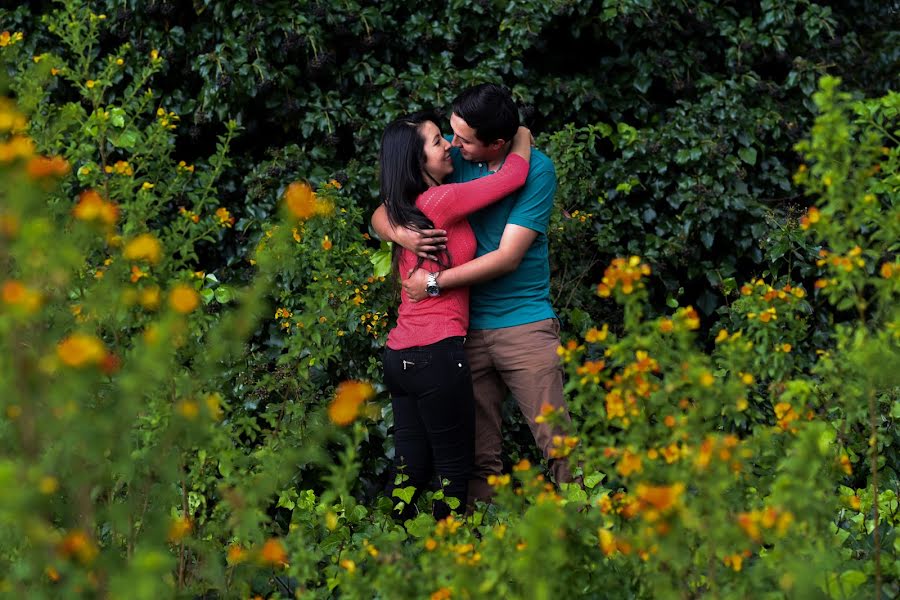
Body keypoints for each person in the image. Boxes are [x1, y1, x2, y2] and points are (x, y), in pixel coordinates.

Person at [372, 84, 576, 506]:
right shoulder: (453, 163)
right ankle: (480, 554)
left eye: (462, 138)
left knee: (557, 444)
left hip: (524, 322)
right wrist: (401, 232)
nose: (451, 144)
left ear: (495, 142)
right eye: (448, 136)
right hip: (463, 335)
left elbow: (507, 258)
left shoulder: (535, 170)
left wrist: (432, 283)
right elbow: (384, 205)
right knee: (479, 459)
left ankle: (595, 529)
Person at [378, 110, 533, 520]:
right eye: (435, 142)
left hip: (399, 356)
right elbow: (512, 177)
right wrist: (518, 132)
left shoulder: (403, 208)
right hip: (437, 354)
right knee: (453, 474)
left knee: (409, 471)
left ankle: (392, 556)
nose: (448, 144)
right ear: (417, 163)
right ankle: (451, 561)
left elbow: (377, 214)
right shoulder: (441, 200)